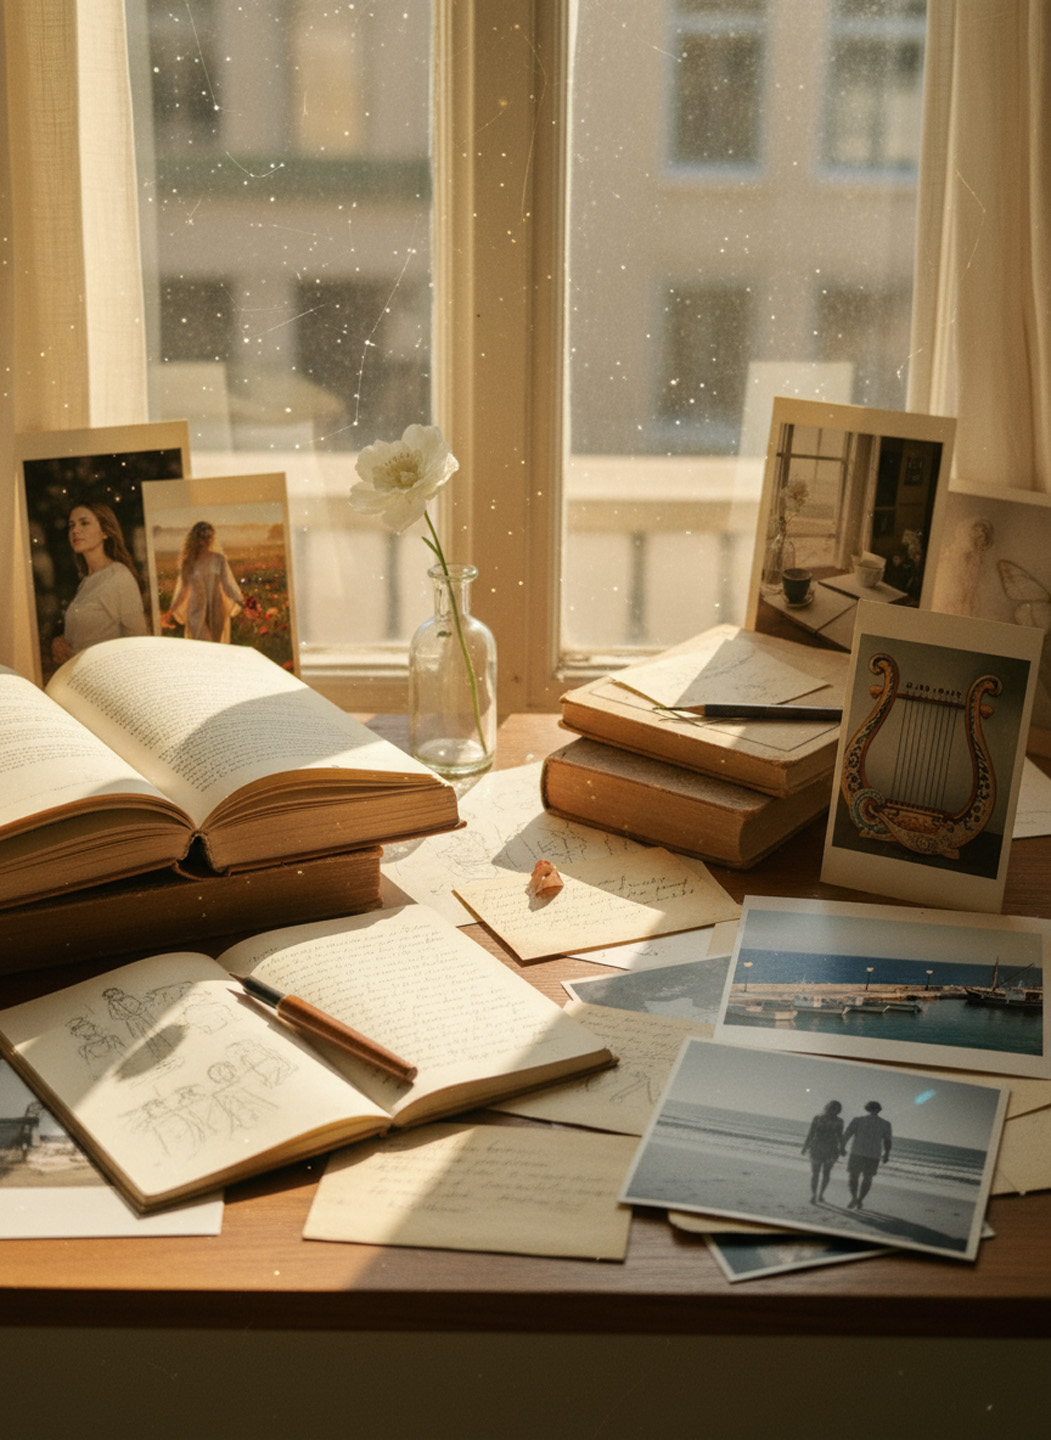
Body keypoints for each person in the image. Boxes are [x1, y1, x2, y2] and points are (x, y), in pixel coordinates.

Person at [50, 501, 148, 665]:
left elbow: (137, 641)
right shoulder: (87, 582)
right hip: (77, 678)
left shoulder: (119, 577)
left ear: (105, 532)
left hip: (105, 679)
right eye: (71, 525)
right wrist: (59, 643)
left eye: (84, 523)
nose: (75, 530)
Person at [162, 520, 245, 643]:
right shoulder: (188, 563)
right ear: (195, 539)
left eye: (209, 537)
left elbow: (228, 586)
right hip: (196, 610)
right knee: (204, 644)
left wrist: (243, 603)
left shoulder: (219, 560)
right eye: (202, 537)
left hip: (217, 609)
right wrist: (170, 612)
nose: (206, 540)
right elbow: (183, 591)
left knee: (216, 648)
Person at [841, 1099, 893, 1211]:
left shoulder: (858, 1120)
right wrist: (886, 1154)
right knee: (867, 1179)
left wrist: (842, 1147)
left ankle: (854, 1197)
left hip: (857, 1153)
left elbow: (847, 1134)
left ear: (867, 1108)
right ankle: (859, 1200)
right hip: (873, 1155)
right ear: (879, 1110)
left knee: (853, 1176)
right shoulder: (885, 1124)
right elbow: (887, 1141)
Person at [801, 1098, 844, 1204]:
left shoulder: (839, 1121)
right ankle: (814, 1195)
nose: (833, 1110)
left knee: (825, 1173)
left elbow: (840, 1136)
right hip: (817, 1148)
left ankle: (820, 1195)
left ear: (839, 1110)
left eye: (836, 1109)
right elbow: (811, 1133)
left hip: (830, 1149)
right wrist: (805, 1146)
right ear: (828, 1107)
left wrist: (842, 1148)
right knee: (816, 1173)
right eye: (832, 1108)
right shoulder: (818, 1118)